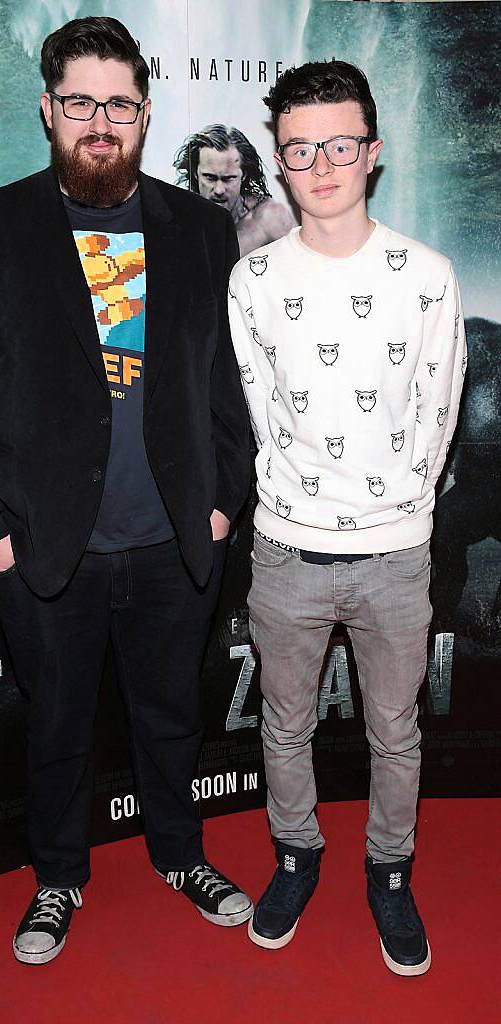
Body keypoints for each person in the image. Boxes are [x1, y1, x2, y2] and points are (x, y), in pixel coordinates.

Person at [0, 16, 253, 965]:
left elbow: (230, 384)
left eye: (118, 103)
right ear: (47, 110)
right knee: (56, 729)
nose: (98, 121)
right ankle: (58, 878)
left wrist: (223, 503)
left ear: (144, 114)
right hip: (40, 551)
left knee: (173, 717)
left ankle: (181, 855)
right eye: (79, 103)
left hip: (176, 541)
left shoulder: (197, 230)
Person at [228, 60, 466, 976]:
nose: (319, 162)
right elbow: (255, 412)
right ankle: (295, 856)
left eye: (338, 143)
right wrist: (298, 512)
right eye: (299, 148)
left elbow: (437, 414)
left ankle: (390, 872)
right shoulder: (252, 282)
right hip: (286, 550)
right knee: (282, 728)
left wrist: (393, 520)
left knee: (394, 732)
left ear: (372, 152)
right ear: (281, 164)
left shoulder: (427, 276)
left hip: (396, 556)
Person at [174, 125, 296, 256]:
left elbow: (307, 268)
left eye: (228, 178)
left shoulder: (270, 217)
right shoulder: (179, 221)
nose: (219, 190)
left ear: (243, 175)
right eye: (210, 177)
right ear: (195, 174)